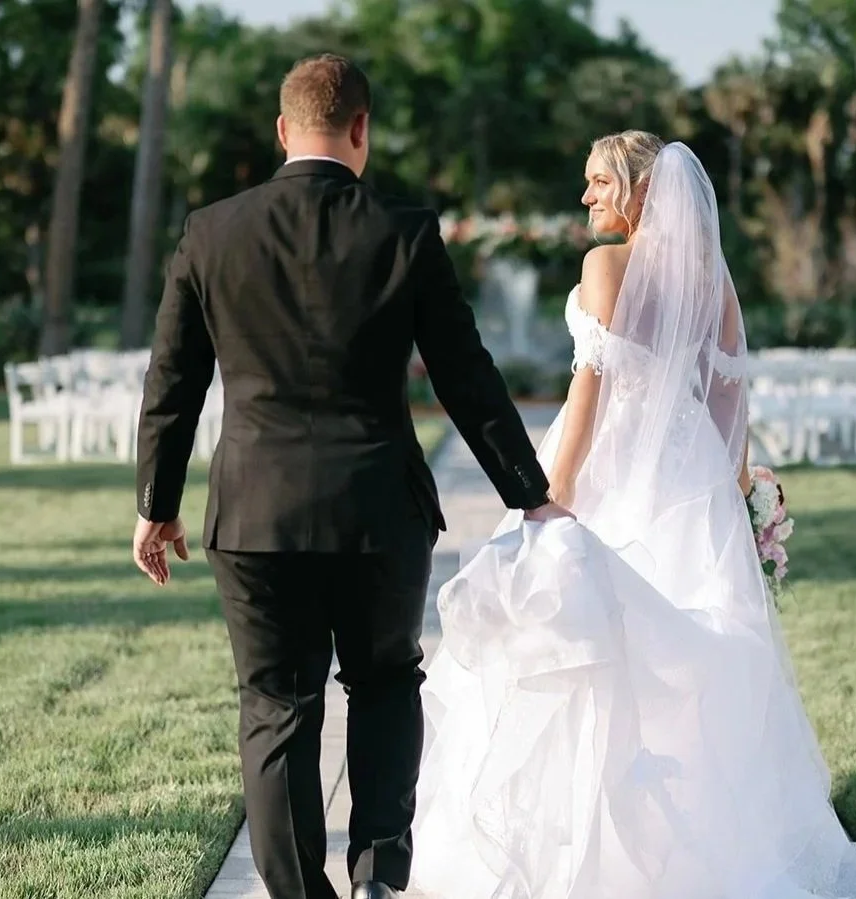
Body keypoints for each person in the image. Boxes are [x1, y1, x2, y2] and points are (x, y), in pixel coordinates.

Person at [407, 131, 856, 899]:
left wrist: (547, 498)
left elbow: (588, 394)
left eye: (599, 182)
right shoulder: (715, 281)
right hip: (690, 475)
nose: (587, 197)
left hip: (609, 467)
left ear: (639, 190)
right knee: (693, 661)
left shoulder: (604, 265)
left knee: (591, 646)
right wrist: (739, 490)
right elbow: (731, 397)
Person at [129, 54, 571, 899]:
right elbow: (464, 374)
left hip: (253, 516)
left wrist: (156, 505)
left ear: (282, 131)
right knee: (383, 683)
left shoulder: (210, 231)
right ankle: (377, 870)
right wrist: (529, 489)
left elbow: (171, 383)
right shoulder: (404, 231)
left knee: (275, 707)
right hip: (378, 512)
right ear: (361, 129)